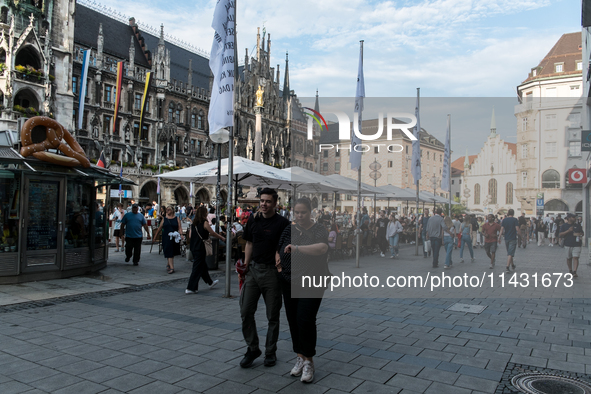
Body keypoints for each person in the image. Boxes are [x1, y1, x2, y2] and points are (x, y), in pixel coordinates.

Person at [275, 197, 329, 383]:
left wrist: (297, 248)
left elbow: (322, 248)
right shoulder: (289, 229)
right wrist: (278, 262)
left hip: (313, 280)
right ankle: (300, 357)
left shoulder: (319, 229)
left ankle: (309, 362)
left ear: (310, 211)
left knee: (305, 319)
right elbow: (278, 247)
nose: (299, 215)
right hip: (289, 280)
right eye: (296, 212)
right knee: (293, 320)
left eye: (303, 212)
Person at [239, 188, 290, 368]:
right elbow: (249, 243)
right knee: (246, 312)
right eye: (262, 200)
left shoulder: (283, 223)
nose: (263, 204)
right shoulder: (254, 219)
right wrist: (245, 266)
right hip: (253, 270)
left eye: (268, 201)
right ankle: (253, 348)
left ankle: (270, 351)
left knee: (272, 316)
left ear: (275, 203)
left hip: (272, 274)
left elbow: (286, 248)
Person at [186, 206, 225, 293]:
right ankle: (190, 288)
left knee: (202, 265)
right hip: (201, 247)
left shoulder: (193, 224)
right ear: (204, 213)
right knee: (196, 268)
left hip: (194, 247)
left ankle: (210, 282)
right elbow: (212, 233)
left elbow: (189, 236)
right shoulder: (205, 222)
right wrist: (221, 237)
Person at [152, 207, 183, 274]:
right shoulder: (164, 219)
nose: (167, 211)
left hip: (174, 237)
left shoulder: (177, 218)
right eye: (167, 210)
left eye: (169, 210)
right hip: (166, 237)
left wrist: (181, 234)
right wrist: (154, 237)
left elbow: (179, 227)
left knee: (173, 252)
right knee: (169, 251)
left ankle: (168, 264)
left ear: (172, 211)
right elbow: (159, 228)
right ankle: (172, 268)